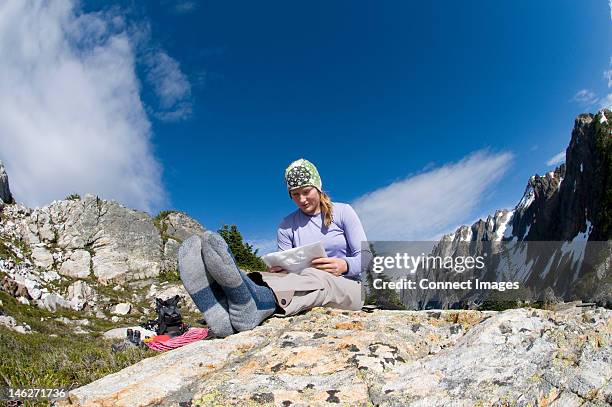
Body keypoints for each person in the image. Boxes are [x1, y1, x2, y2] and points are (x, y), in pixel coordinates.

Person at [178, 158, 369, 338]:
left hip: (350, 288)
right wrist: (279, 269)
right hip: (303, 282)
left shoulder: (344, 212)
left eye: (306, 191)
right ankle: (227, 316)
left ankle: (258, 303)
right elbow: (286, 266)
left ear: (318, 187)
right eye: (295, 194)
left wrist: (344, 265)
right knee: (267, 277)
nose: (302, 199)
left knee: (318, 277)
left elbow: (367, 257)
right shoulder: (286, 226)